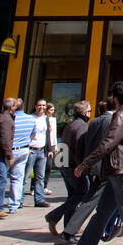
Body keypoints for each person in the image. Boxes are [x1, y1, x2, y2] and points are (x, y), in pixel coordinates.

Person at [64, 81, 123, 245]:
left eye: (111, 96)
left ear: (116, 98)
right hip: (118, 169)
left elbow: (108, 143)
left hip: (121, 169)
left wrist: (85, 164)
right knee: (102, 213)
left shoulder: (122, 115)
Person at [59, 99, 120, 243]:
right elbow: (107, 145)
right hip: (106, 167)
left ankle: (70, 228)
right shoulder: (113, 121)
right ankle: (107, 229)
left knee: (92, 199)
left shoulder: (94, 122)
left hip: (93, 166)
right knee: (94, 200)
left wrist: (85, 164)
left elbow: (86, 145)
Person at [47, 100, 91, 237]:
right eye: (89, 111)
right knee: (83, 193)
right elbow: (80, 148)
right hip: (74, 166)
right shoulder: (82, 127)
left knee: (73, 195)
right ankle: (55, 215)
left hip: (65, 163)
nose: (90, 114)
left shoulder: (70, 125)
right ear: (85, 113)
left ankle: (70, 226)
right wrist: (82, 166)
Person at [7, 99, 35, 212]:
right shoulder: (30, 119)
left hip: (8, 151)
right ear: (23, 107)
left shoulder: (9, 119)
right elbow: (33, 135)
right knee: (18, 178)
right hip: (23, 149)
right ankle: (14, 205)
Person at [24, 101, 51, 208]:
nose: (41, 107)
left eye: (43, 105)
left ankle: (39, 200)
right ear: (35, 106)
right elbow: (26, 133)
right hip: (32, 149)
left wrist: (48, 149)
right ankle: (19, 200)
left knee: (40, 176)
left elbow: (47, 134)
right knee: (25, 175)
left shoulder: (46, 119)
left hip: (42, 150)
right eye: (39, 105)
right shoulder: (30, 118)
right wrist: (27, 147)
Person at [38, 99, 57, 197]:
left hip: (52, 145)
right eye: (51, 110)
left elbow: (54, 134)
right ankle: (35, 187)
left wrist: (55, 145)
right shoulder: (43, 119)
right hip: (43, 145)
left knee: (48, 166)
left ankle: (44, 186)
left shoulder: (53, 120)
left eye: (53, 110)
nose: (52, 112)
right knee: (39, 168)